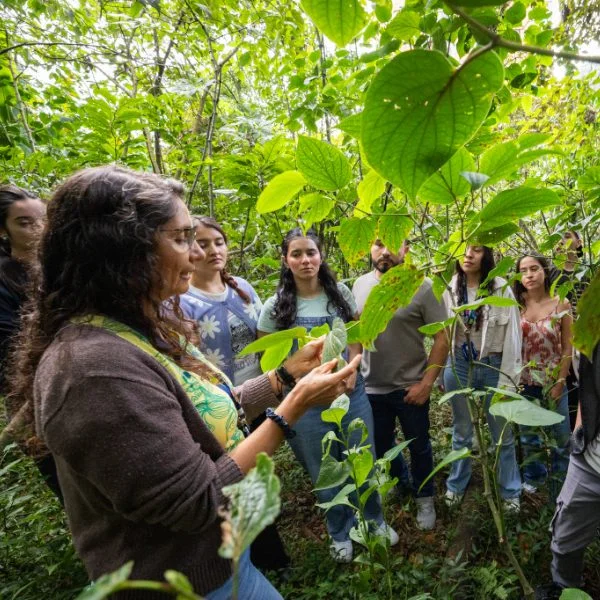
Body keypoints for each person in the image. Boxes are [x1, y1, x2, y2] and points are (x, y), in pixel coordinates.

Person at [11, 166, 360, 599]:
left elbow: (200, 410)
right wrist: (291, 411)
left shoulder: (136, 329)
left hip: (224, 564)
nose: (195, 254)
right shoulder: (93, 369)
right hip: (181, 583)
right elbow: (197, 501)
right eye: (180, 239)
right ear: (123, 251)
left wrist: (285, 376)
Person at [257, 228, 398, 563]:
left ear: (321, 256)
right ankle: (340, 531)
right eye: (297, 254)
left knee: (363, 455)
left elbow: (355, 334)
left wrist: (351, 370)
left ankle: (374, 522)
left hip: (350, 392)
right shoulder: (274, 307)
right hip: (304, 402)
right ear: (286, 259)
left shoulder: (341, 294)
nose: (305, 260)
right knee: (324, 468)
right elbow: (270, 360)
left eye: (311, 252)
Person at [180, 215, 290, 573]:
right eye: (201, 243)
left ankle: (268, 542)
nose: (212, 250)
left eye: (218, 242)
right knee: (232, 475)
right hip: (219, 405)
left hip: (259, 391)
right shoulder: (183, 302)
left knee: (260, 468)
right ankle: (249, 556)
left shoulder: (242, 287)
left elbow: (264, 337)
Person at [352, 239, 448, 530]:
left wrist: (427, 383)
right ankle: (402, 480)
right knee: (381, 445)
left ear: (405, 247)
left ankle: (425, 497)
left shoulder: (423, 285)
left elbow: (442, 337)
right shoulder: (359, 285)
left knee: (419, 446)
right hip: (371, 388)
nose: (385, 251)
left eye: (393, 243)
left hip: (411, 386)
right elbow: (355, 333)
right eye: (378, 243)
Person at [442, 245, 522, 511]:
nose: (468, 255)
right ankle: (456, 485)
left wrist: (508, 378)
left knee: (502, 433)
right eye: (464, 250)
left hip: (493, 365)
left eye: (476, 250)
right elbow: (443, 334)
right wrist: (444, 370)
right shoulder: (451, 287)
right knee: (462, 431)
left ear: (486, 256)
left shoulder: (500, 288)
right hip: (460, 364)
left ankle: (510, 491)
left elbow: (512, 336)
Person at [0, 185, 59, 498]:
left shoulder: (61, 268)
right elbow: (10, 351)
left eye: (42, 219)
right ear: (3, 230)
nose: (38, 228)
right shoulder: (4, 279)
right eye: (24, 222)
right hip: (31, 402)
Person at [535, 343, 600, 600]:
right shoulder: (593, 319)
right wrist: (580, 429)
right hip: (590, 457)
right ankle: (565, 588)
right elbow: (587, 377)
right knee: (565, 536)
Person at [514, 254, 572, 500]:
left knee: (561, 439)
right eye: (523, 270)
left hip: (553, 381)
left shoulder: (562, 304)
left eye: (534, 269)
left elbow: (568, 347)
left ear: (545, 271)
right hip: (524, 383)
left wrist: (560, 381)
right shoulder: (515, 305)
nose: (529, 275)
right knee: (529, 438)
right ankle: (534, 478)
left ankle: (561, 484)